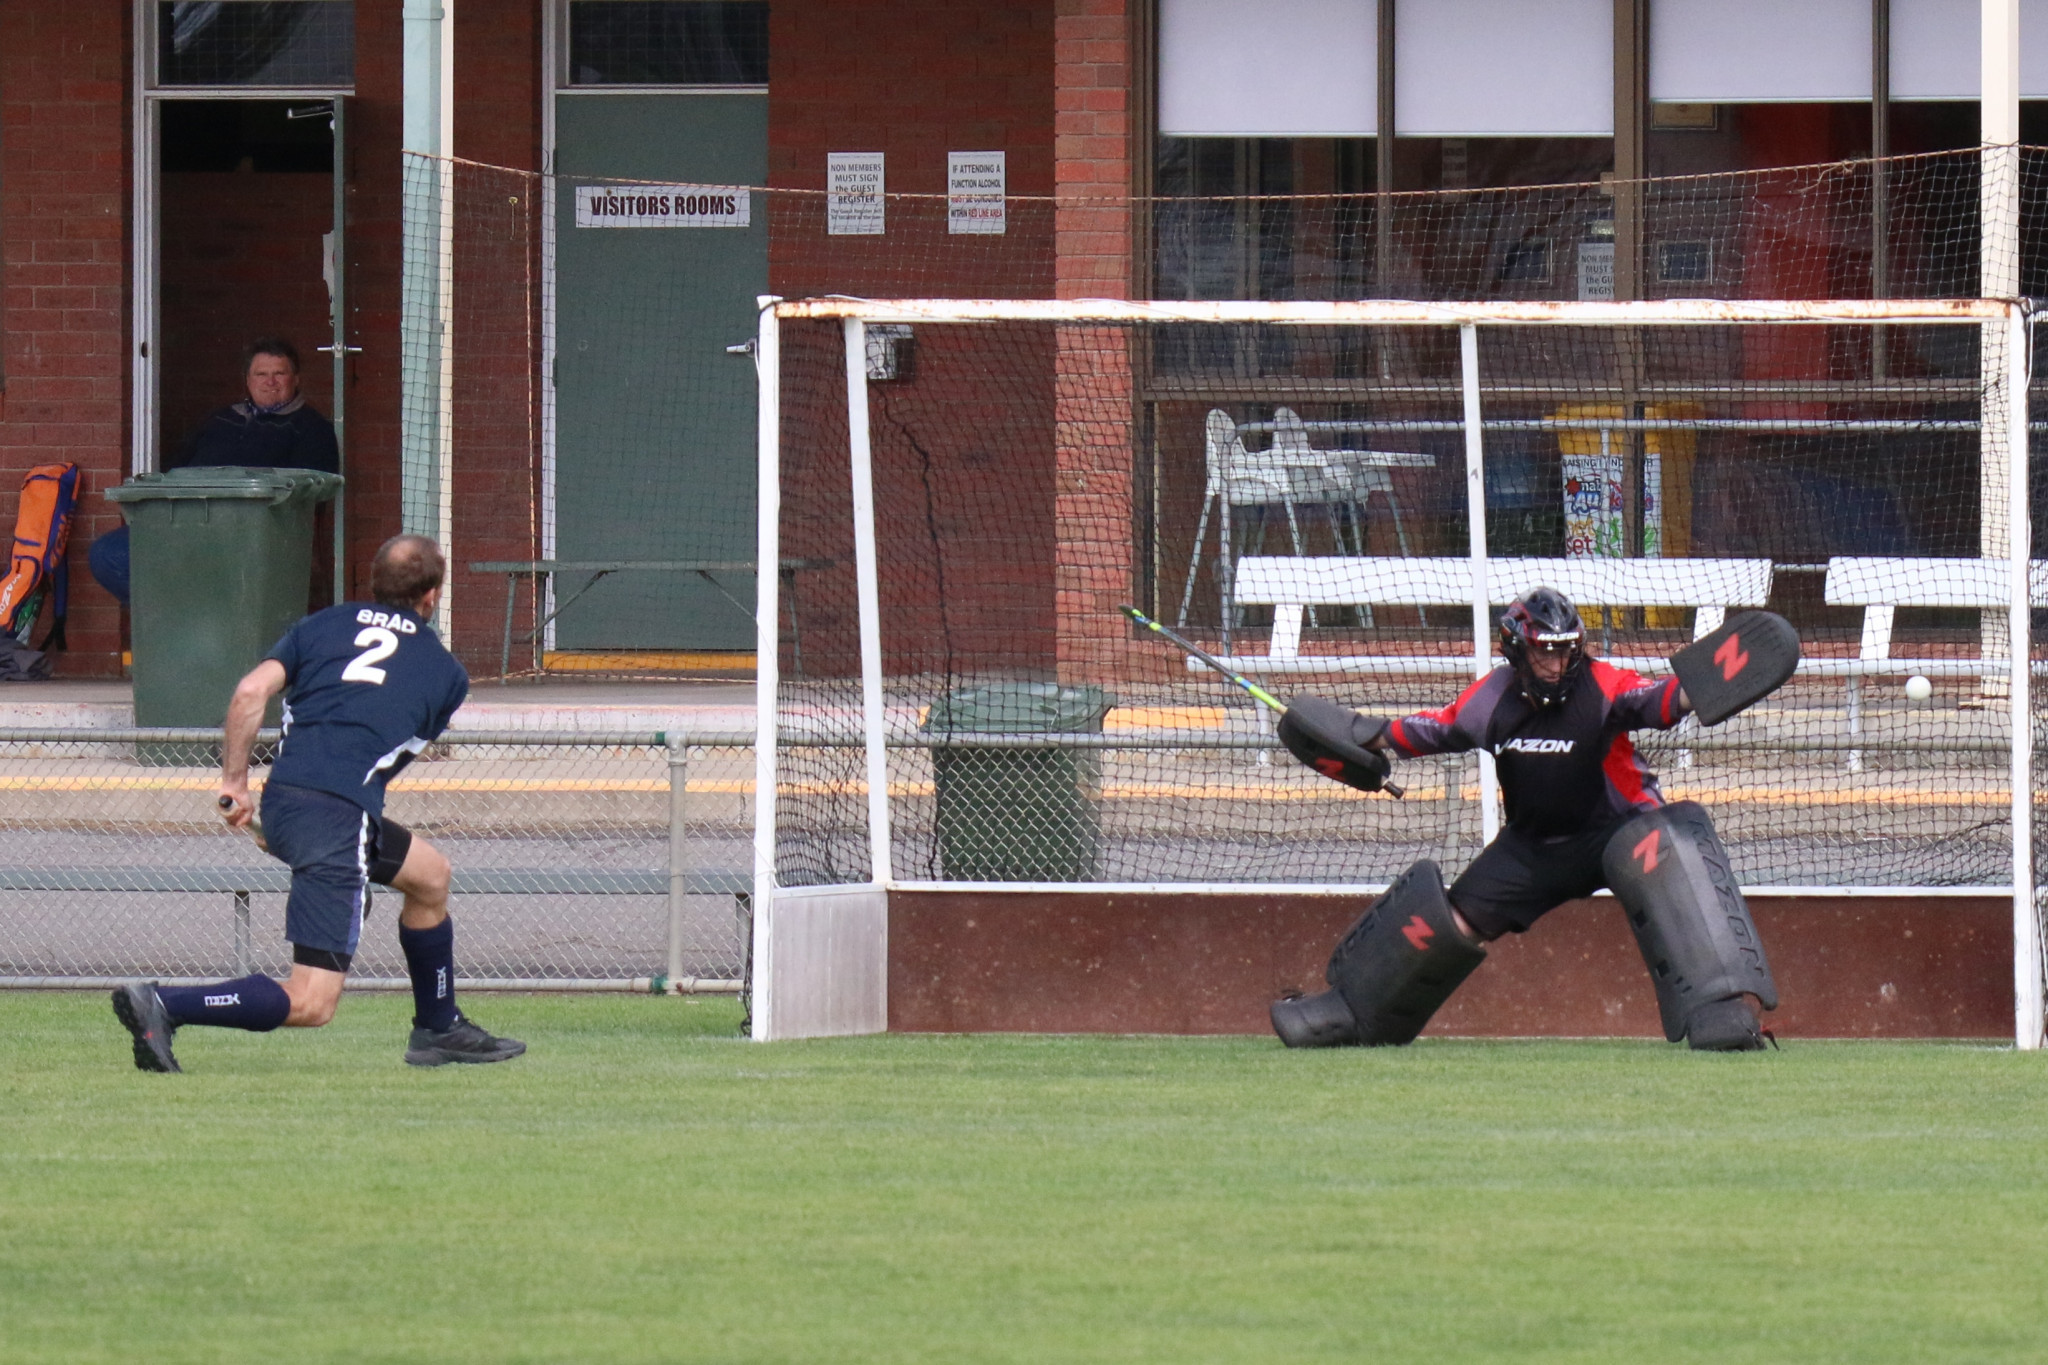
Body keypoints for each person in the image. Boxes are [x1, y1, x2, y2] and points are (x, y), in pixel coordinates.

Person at [1269, 585, 1779, 1053]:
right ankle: (1350, 1012)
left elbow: (1664, 700)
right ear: (1518, 650)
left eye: (1565, 650)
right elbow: (1422, 732)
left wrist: (1711, 679)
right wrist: (1353, 736)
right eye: (1544, 650)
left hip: (1621, 832)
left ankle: (1723, 1012)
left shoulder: (1605, 685)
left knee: (1671, 849)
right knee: (1452, 922)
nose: (1556, 664)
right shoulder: (1489, 700)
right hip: (1533, 847)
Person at [111, 534, 524, 1073]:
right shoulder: (447, 675)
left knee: (430, 877)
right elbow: (385, 758)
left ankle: (439, 1028)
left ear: (372, 582)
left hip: (286, 798)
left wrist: (236, 783)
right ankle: (164, 1004)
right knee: (312, 1002)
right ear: (433, 596)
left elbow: (248, 694)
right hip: (336, 819)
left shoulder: (322, 624)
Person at [90, 336, 340, 606]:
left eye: (279, 373)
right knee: (108, 553)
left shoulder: (312, 428)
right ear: (248, 380)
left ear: (296, 379)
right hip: (183, 523)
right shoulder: (221, 419)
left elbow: (312, 491)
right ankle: (184, 616)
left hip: (249, 535)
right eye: (261, 374)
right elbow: (175, 469)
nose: (270, 382)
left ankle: (201, 617)